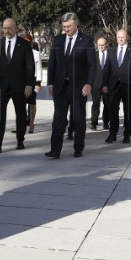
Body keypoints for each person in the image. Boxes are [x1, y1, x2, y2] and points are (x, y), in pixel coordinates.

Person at [45, 12, 95, 159]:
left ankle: (78, 148)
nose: (66, 29)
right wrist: (50, 82)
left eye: (68, 26)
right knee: (58, 118)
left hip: (79, 86)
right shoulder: (58, 40)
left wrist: (89, 84)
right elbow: (52, 63)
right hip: (60, 86)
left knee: (79, 118)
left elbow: (92, 65)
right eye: (64, 26)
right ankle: (55, 150)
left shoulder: (86, 40)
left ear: (76, 24)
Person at [0, 18, 35, 153]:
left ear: (16, 29)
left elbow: (30, 66)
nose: (6, 31)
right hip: (2, 86)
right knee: (0, 114)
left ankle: (20, 139)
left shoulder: (24, 45)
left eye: (9, 28)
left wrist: (29, 85)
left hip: (20, 86)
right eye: (4, 28)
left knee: (20, 114)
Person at [101, 29, 131, 144]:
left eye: (123, 37)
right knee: (113, 110)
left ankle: (127, 134)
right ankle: (112, 134)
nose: (121, 39)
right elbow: (106, 69)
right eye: (118, 37)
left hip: (128, 85)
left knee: (128, 111)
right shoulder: (111, 50)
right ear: (116, 38)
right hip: (113, 85)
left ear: (127, 37)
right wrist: (104, 84)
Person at [22, 32, 42, 134]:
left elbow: (38, 69)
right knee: (21, 103)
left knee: (31, 103)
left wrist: (38, 83)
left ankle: (31, 124)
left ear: (31, 42)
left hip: (33, 80)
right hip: (21, 81)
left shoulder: (36, 53)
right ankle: (21, 124)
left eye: (27, 41)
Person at [90, 35, 110, 131]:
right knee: (95, 104)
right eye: (99, 45)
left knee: (107, 104)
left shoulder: (111, 55)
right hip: (96, 84)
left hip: (108, 84)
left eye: (103, 45)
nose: (101, 47)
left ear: (106, 45)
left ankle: (106, 122)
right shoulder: (93, 55)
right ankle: (94, 123)